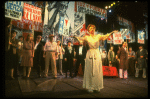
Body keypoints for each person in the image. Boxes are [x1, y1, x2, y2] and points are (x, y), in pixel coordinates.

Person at [73, 24, 118, 93]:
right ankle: (90, 86)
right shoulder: (87, 37)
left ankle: (97, 86)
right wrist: (75, 37)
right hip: (90, 53)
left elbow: (105, 36)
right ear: (88, 30)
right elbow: (80, 40)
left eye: (93, 28)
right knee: (90, 70)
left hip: (97, 54)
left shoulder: (98, 36)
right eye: (90, 28)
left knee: (97, 70)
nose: (92, 30)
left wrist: (112, 32)